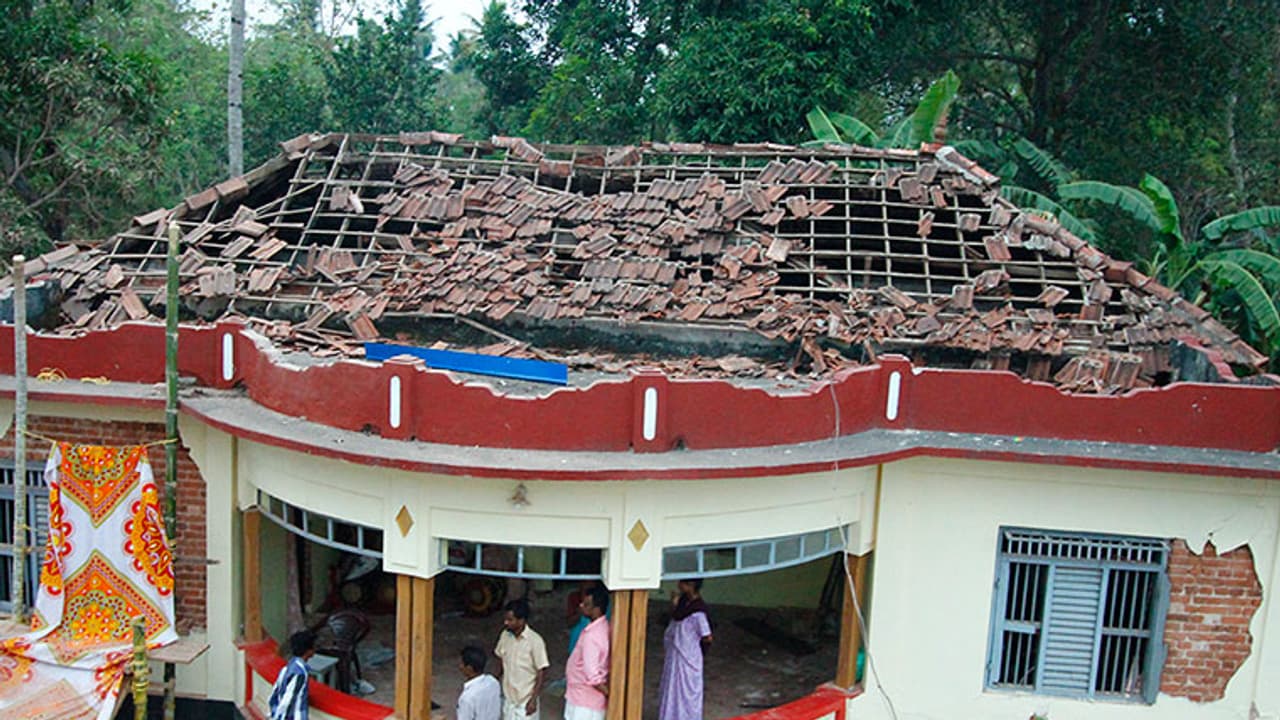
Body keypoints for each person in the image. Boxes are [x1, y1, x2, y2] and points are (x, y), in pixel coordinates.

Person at [658, 580, 713, 720]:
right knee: (672, 688)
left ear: (691, 585)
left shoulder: (698, 611)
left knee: (687, 691)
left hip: (688, 656)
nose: (679, 585)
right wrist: (674, 604)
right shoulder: (682, 602)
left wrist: (695, 650)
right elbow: (676, 617)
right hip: (675, 654)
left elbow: (707, 637)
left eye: (683, 583)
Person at [494, 598, 550, 720]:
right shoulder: (505, 636)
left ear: (521, 621)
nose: (506, 623)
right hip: (509, 701)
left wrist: (533, 700)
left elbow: (541, 672)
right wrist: (494, 681)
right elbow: (501, 661)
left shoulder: (535, 641)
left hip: (526, 702)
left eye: (510, 620)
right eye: (506, 619)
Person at [564, 584, 610, 720]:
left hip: (584, 702)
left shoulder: (592, 636)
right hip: (581, 697)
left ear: (597, 609)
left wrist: (609, 694)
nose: (581, 606)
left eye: (586, 604)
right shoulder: (601, 627)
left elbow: (592, 675)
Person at [269, 630, 316, 720]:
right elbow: (288, 700)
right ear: (309, 651)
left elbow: (274, 694)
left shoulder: (287, 667)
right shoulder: (300, 673)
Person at [458, 645, 502, 720]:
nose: (460, 666)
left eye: (461, 663)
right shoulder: (493, 682)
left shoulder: (467, 697)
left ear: (469, 668)